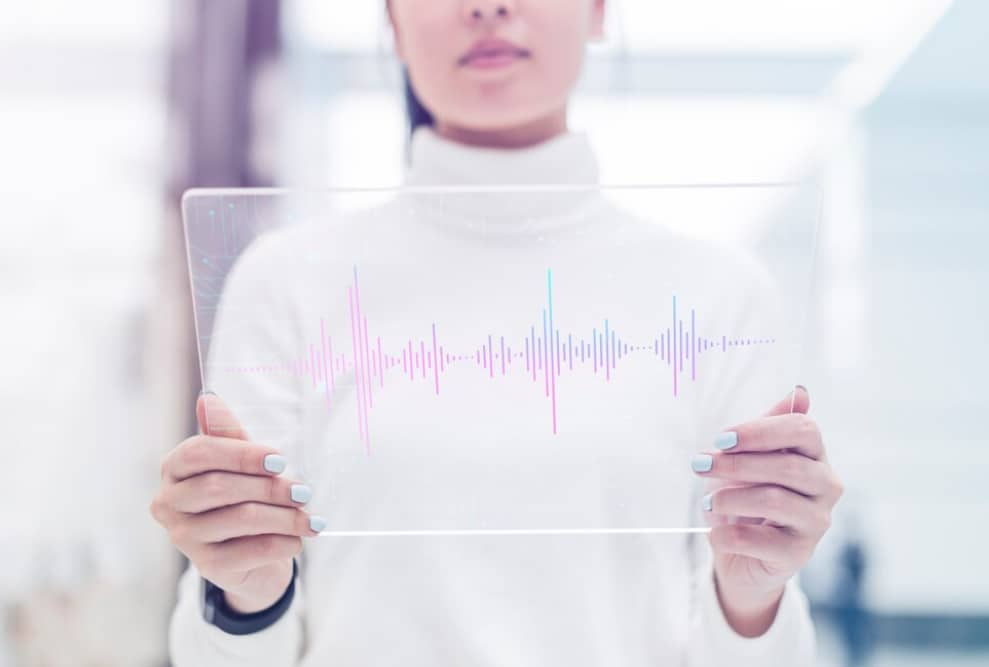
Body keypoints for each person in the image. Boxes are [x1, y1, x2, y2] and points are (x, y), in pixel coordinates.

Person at [150, 1, 844, 665]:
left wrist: (753, 592)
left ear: (599, 7)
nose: (486, 5)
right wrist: (245, 589)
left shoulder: (722, 298)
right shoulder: (283, 285)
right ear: (390, 15)